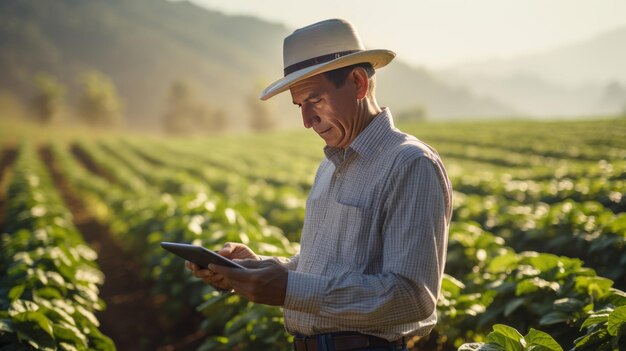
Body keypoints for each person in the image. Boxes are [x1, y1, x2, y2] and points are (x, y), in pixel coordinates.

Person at [186, 18, 452, 351]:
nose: (306, 120)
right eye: (300, 105)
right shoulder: (329, 167)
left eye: (315, 100)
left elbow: (412, 297)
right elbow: (323, 267)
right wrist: (257, 268)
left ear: (357, 84)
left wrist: (287, 289)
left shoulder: (409, 164)